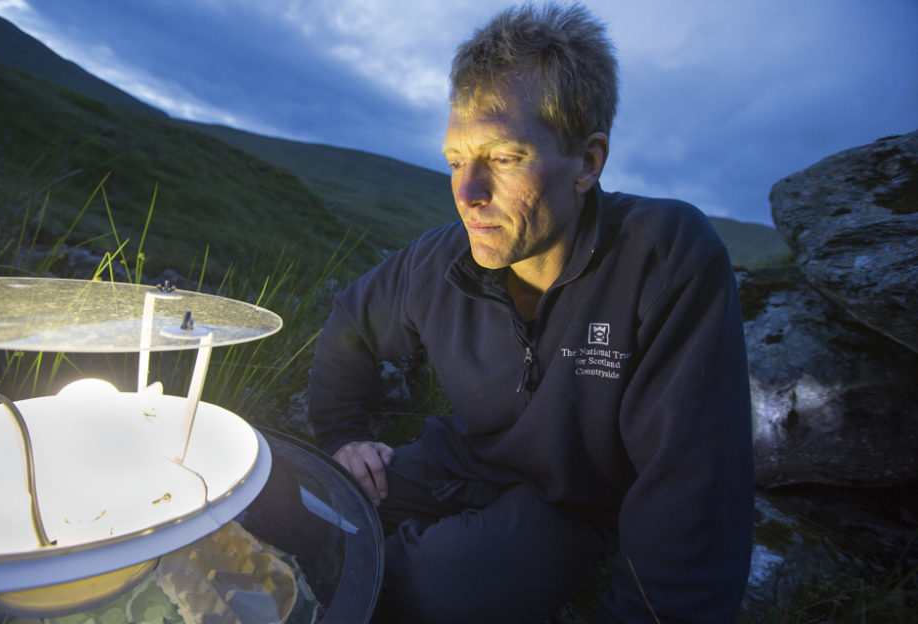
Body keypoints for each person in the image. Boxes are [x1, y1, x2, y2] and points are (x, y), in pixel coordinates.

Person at [308, 3, 753, 622]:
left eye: (506, 157)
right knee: (315, 515)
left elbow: (695, 490)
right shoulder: (438, 260)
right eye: (456, 161)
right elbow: (352, 325)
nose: (467, 194)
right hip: (459, 461)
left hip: (577, 505)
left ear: (587, 163)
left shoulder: (666, 254)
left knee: (432, 586)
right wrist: (344, 436)